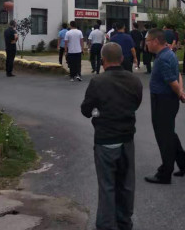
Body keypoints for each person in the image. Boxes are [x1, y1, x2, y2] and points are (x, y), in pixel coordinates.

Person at [81, 43, 143, 230]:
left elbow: (86, 110)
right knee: (126, 184)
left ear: (103, 60)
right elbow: (136, 103)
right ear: (122, 59)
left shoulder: (97, 82)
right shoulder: (134, 81)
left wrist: (97, 111)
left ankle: (107, 224)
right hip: (127, 139)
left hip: (105, 139)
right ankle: (124, 222)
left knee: (107, 185)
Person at [144, 28, 185, 184]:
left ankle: (165, 173)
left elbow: (172, 80)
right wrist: (180, 91)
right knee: (168, 133)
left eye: (147, 41)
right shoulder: (169, 53)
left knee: (163, 137)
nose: (146, 44)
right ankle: (184, 162)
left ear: (155, 41)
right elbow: (177, 75)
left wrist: (180, 94)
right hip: (167, 99)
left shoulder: (163, 58)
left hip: (163, 101)